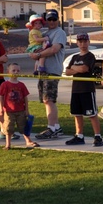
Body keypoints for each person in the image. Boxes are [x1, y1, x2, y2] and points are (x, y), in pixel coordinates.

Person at [32, 9, 67, 139]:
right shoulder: (45, 34)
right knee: (46, 100)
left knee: (49, 99)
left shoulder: (60, 33)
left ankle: (51, 128)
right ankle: (56, 127)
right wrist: (34, 54)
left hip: (52, 71)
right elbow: (35, 50)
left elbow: (54, 49)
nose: (51, 22)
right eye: (49, 19)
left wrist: (39, 54)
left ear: (58, 19)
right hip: (43, 71)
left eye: (54, 19)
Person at [63, 33, 103, 147]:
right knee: (77, 113)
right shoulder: (75, 57)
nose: (83, 44)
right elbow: (67, 71)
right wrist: (76, 69)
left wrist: (74, 68)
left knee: (91, 114)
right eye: (80, 42)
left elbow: (84, 68)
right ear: (77, 43)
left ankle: (98, 136)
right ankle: (79, 136)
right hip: (76, 90)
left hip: (87, 89)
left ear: (88, 42)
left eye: (85, 41)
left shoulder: (90, 56)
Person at [0, 63, 40, 150]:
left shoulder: (21, 85)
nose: (16, 72)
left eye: (18, 71)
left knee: (23, 126)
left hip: (21, 110)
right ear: (8, 72)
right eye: (13, 70)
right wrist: (1, 108)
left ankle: (28, 141)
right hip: (9, 111)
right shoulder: (5, 85)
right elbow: (1, 96)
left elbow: (25, 98)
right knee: (9, 127)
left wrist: (27, 110)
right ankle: (8, 144)